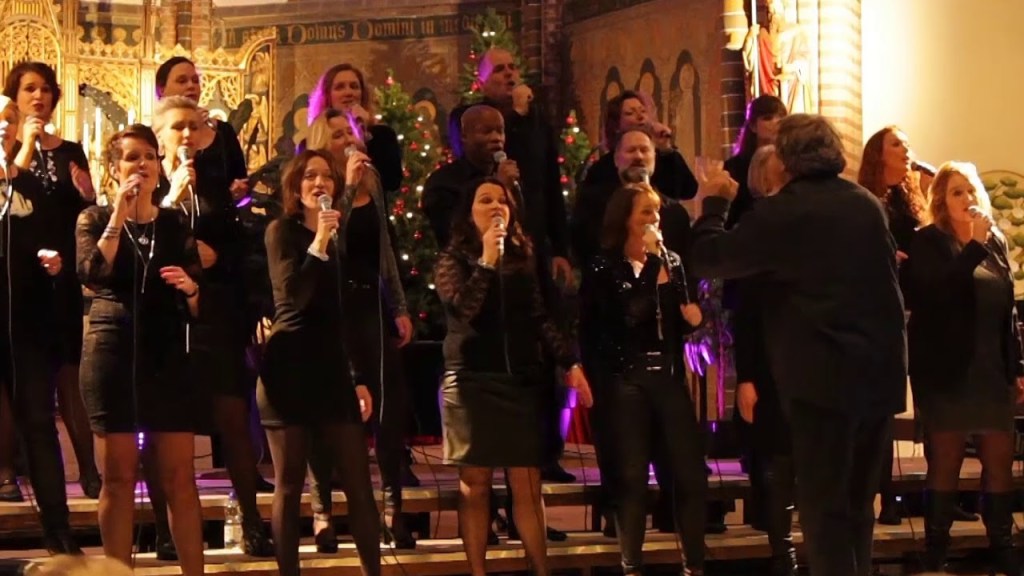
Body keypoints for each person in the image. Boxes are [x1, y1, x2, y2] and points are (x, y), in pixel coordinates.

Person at [688, 114, 907, 576]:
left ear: (786, 161)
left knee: (824, 511)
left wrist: (712, 206)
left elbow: (710, 259)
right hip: (877, 379)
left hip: (822, 384)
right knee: (856, 507)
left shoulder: (783, 212)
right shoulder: (865, 204)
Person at [436, 177, 592, 576]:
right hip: (471, 381)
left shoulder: (523, 255)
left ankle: (540, 570)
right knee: (476, 483)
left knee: (527, 482)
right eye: (484, 200)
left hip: (520, 381)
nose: (495, 207)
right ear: (469, 213)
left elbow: (539, 316)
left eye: (502, 201)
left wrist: (571, 363)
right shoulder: (453, 259)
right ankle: (477, 572)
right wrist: (487, 260)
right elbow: (463, 311)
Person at [149, 58, 274, 559]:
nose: (186, 134)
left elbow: (240, 236)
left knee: (231, 411)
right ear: (160, 135)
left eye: (193, 127)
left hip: (218, 307)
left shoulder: (221, 188)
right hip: (164, 312)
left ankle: (251, 516)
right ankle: (163, 525)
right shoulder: (148, 181)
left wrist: (217, 254)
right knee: (161, 427)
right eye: (176, 127)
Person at [76, 124, 206, 575]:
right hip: (112, 353)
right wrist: (118, 213)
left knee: (179, 480)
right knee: (118, 479)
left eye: (150, 156)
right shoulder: (93, 219)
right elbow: (92, 273)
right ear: (115, 170)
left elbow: (197, 300)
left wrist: (190, 289)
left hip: (166, 355)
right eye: (132, 158)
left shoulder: (174, 223)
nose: (143, 165)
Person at [258, 149, 379, 576]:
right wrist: (320, 243)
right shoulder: (281, 232)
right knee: (289, 486)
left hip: (330, 370)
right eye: (310, 176)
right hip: (289, 367)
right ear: (295, 186)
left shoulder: (335, 238)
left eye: (327, 177)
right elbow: (295, 297)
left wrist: (358, 377)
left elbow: (341, 315)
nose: (319, 183)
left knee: (360, 485)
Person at [305, 108, 416, 549]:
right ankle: (321, 512)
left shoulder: (371, 186)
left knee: (389, 406)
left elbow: (383, 248)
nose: (348, 142)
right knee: (330, 411)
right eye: (337, 135)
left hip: (370, 304)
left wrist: (400, 305)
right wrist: (346, 188)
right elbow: (335, 240)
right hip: (331, 308)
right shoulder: (316, 190)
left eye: (352, 134)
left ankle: (393, 509)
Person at [581, 182, 706, 576]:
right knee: (632, 478)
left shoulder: (674, 261)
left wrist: (692, 319)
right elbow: (629, 315)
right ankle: (631, 566)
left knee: (689, 474)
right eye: (646, 213)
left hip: (667, 375)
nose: (655, 221)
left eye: (657, 213)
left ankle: (694, 565)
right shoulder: (604, 265)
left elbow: (682, 320)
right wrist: (653, 265)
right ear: (626, 220)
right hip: (625, 378)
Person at [906, 161, 1024, 575]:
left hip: (992, 370)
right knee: (947, 462)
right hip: (946, 372)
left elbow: (1008, 310)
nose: (966, 199)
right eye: (957, 192)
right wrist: (971, 246)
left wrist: (1018, 366)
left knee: (999, 462)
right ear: (941, 199)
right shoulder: (926, 242)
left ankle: (1003, 545)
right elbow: (936, 297)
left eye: (971, 191)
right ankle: (936, 549)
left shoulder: (996, 242)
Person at [2, 61, 100, 501]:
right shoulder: (6, 152)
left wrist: (88, 193)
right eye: (28, 90)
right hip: (18, 279)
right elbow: (12, 184)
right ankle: (7, 471)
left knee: (68, 375)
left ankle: (90, 470)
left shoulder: (70, 150)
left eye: (45, 90)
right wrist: (25, 143)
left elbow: (85, 208)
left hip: (60, 280)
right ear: (14, 99)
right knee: (18, 381)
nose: (38, 97)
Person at [0, 95, 79, 555]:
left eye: (9, 119)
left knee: (38, 423)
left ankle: (59, 531)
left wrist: (51, 262)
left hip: (25, 327)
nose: (3, 126)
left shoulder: (29, 185)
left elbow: (52, 242)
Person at [857, 125, 931, 527]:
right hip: (879, 314)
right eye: (897, 144)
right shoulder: (866, 201)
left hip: (915, 311)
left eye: (907, 142)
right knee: (881, 407)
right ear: (877, 155)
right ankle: (880, 495)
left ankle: (923, 495)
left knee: (921, 400)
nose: (907, 150)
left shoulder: (912, 200)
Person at [732, 145, 797, 576]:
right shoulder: (754, 227)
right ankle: (782, 552)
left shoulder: (813, 225)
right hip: (770, 361)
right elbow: (746, 311)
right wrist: (748, 375)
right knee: (775, 456)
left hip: (810, 360)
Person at [580, 90, 698, 201]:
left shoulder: (662, 157)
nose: (640, 117)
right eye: (630, 113)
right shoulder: (601, 169)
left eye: (643, 111)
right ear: (615, 125)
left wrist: (666, 148)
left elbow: (689, 191)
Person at [307, 63, 404, 194]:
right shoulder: (313, 137)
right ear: (327, 95)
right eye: (340, 87)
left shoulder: (382, 135)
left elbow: (391, 182)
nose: (348, 92)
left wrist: (367, 132)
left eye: (354, 87)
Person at [723, 94, 787, 228]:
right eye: (768, 118)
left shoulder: (789, 163)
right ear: (753, 126)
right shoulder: (734, 167)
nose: (776, 123)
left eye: (781, 117)